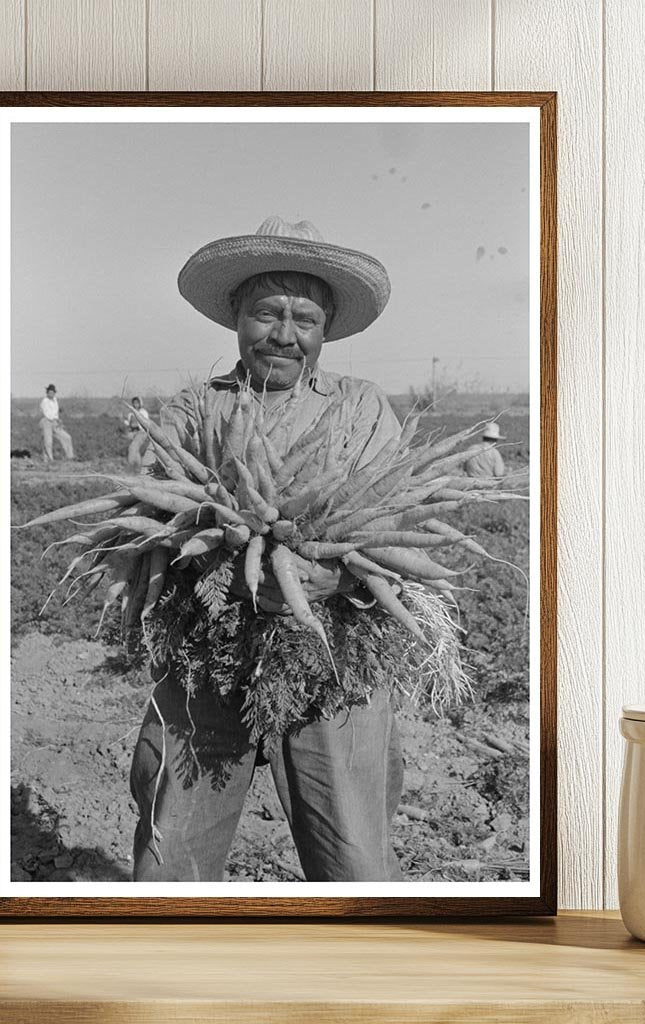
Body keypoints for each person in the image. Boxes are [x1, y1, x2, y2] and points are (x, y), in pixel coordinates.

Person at [129, 216, 406, 883]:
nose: (284, 334)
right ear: (236, 316)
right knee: (173, 850)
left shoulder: (361, 408)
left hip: (334, 656)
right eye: (266, 314)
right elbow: (146, 517)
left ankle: (366, 973)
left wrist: (336, 580)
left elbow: (397, 522)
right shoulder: (193, 410)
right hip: (206, 650)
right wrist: (200, 553)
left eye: (303, 319)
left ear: (326, 328)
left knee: (354, 856)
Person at [39, 384, 74, 462]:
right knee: (48, 441)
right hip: (47, 422)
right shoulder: (45, 401)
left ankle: (70, 457)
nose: (51, 394)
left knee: (67, 437)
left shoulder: (55, 400)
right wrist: (55, 420)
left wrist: (58, 420)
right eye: (50, 392)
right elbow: (47, 414)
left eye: (53, 392)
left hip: (54, 422)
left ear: (54, 393)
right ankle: (49, 459)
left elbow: (56, 412)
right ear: (47, 393)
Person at [125, 396, 152, 473]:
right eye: (134, 403)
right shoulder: (130, 413)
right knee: (135, 450)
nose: (135, 404)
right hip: (133, 432)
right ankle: (138, 468)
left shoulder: (143, 412)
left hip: (141, 432)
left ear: (140, 404)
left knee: (132, 447)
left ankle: (130, 466)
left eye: (137, 403)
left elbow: (146, 423)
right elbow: (129, 423)